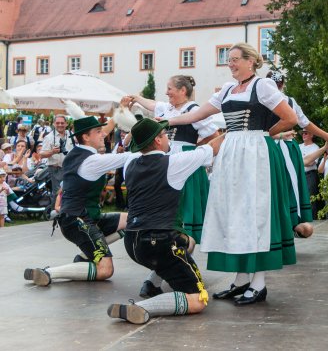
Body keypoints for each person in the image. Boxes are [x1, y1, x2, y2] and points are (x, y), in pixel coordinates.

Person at [168, 42, 298, 305]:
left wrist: (264, 134)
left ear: (251, 61)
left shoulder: (263, 86)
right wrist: (165, 121)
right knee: (235, 213)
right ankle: (241, 279)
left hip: (256, 154)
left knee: (256, 214)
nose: (231, 64)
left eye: (236, 59)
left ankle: (259, 283)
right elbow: (199, 114)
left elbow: (290, 118)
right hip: (232, 154)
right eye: (229, 60)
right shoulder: (228, 89)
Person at [107, 118, 219, 324]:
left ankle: (151, 283)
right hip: (161, 242)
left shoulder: (130, 164)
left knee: (189, 242)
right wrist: (238, 130)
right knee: (198, 299)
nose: (168, 138)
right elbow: (211, 147)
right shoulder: (173, 163)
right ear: (158, 140)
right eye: (165, 135)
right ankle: (139, 307)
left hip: (132, 243)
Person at [125, 75, 219, 298]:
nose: (167, 93)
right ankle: (172, 273)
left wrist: (192, 150)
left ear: (183, 91)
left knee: (180, 222)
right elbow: (151, 104)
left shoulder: (194, 110)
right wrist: (137, 98)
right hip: (164, 163)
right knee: (171, 223)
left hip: (182, 166)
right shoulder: (167, 108)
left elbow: (213, 136)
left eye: (170, 89)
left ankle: (161, 277)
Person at [23, 114, 131, 287]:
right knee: (105, 269)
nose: (103, 134)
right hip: (78, 221)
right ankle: (48, 273)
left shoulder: (77, 153)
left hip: (83, 217)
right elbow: (128, 158)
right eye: (98, 132)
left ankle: (85, 257)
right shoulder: (91, 160)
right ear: (86, 137)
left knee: (132, 219)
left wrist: (121, 111)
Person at [267, 71, 328, 236]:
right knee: (286, 185)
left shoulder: (266, 100)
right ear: (282, 84)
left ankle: (284, 223)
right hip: (281, 146)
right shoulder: (287, 101)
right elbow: (306, 123)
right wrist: (325, 135)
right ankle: (291, 222)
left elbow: (305, 122)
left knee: (280, 185)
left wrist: (325, 135)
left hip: (274, 147)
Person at [40, 115, 74, 213]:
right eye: (58, 123)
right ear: (54, 124)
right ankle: (55, 212)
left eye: (62, 123)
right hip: (56, 168)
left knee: (69, 191)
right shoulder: (49, 137)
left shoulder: (71, 135)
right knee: (58, 191)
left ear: (66, 124)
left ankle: (67, 212)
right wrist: (52, 152)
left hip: (70, 168)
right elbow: (42, 154)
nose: (60, 125)